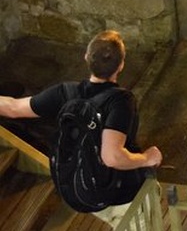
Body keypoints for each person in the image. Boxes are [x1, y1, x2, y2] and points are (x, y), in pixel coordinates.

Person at [0, 31, 162, 225]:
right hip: (121, 195)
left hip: (82, 187)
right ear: (121, 65)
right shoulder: (120, 101)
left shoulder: (64, 92)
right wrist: (147, 158)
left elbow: (13, 108)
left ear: (86, 57)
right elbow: (112, 157)